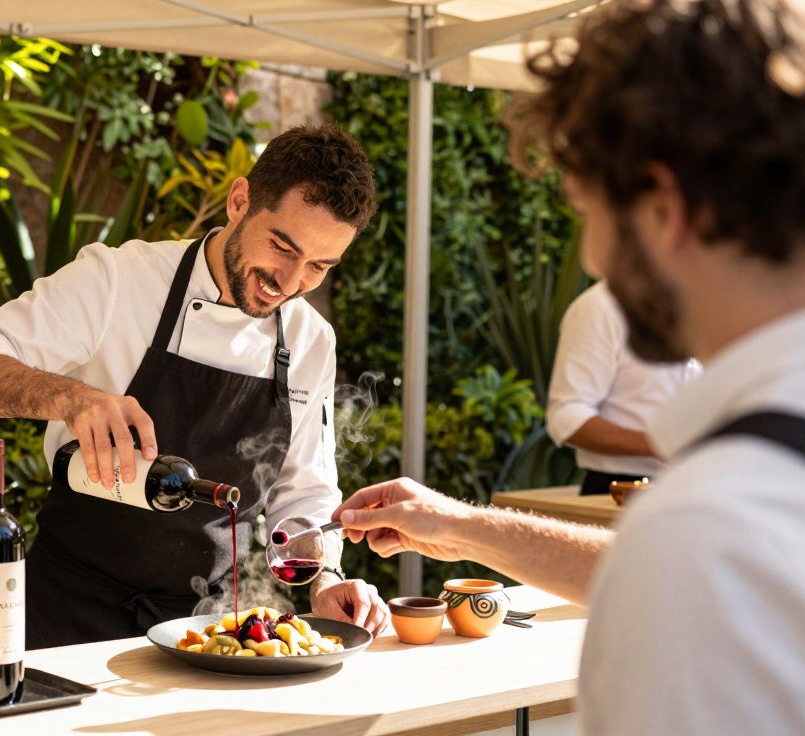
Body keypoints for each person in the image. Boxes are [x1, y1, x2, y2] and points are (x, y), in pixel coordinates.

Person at [334, 0, 805, 732]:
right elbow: (652, 573)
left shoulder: (709, 531)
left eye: (589, 211)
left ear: (662, 207)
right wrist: (461, 527)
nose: (590, 257)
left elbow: (683, 569)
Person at [0, 124, 389, 647]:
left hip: (209, 630)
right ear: (240, 201)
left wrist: (322, 577)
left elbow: (302, 491)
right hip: (67, 616)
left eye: (318, 267)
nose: (289, 281)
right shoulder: (118, 281)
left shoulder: (310, 340)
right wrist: (70, 398)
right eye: (283, 246)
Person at [546, 280, 700, 494]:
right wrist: (658, 444)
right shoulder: (601, 306)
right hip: (618, 492)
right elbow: (567, 414)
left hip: (708, 487)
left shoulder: (720, 305)